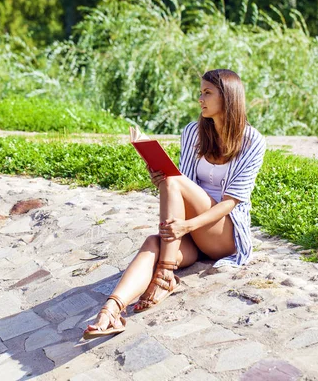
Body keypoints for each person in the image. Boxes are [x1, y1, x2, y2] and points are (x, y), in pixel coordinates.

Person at [83, 69, 266, 339]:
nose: (200, 98)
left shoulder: (253, 141)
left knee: (173, 181)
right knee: (152, 242)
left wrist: (186, 225)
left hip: (224, 233)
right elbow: (183, 186)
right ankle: (111, 311)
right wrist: (160, 180)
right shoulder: (193, 132)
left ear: (228, 98)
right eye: (200, 92)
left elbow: (231, 202)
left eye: (207, 93)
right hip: (191, 233)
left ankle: (166, 275)